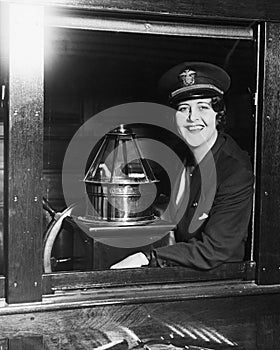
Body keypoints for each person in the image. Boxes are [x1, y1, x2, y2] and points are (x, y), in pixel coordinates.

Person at [110, 61, 254, 270]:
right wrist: (119, 181)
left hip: (218, 279)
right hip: (182, 264)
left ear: (218, 114)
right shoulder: (179, 155)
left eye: (203, 107)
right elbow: (157, 191)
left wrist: (148, 258)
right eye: (183, 108)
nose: (192, 117)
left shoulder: (235, 171)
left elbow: (214, 250)